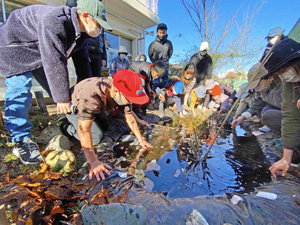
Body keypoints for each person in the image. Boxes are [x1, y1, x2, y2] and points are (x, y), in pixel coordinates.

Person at [0, 0, 112, 165]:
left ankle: (66, 122)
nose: (99, 29)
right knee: (20, 89)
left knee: (60, 92)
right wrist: (62, 99)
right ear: (86, 17)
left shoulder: (81, 35)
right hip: (15, 45)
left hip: (39, 50)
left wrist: (89, 96)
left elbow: (83, 65)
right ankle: (21, 140)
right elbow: (55, 61)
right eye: (98, 24)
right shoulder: (56, 20)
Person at [64, 70, 153, 181]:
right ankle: (66, 127)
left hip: (96, 107)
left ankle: (90, 119)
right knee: (96, 137)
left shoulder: (121, 93)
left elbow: (129, 118)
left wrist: (141, 140)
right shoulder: (92, 95)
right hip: (74, 107)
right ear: (116, 91)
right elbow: (84, 129)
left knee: (106, 126)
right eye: (129, 99)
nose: (131, 103)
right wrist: (93, 161)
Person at [231, 63, 283, 138]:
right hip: (281, 113)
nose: (256, 88)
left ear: (270, 77)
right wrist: (241, 118)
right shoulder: (261, 91)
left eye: (257, 84)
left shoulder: (283, 86)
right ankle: (281, 136)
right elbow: (255, 105)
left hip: (291, 114)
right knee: (266, 111)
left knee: (268, 113)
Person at [66, 0, 108, 78]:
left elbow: (103, 40)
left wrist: (104, 57)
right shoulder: (78, 4)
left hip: (98, 52)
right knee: (85, 77)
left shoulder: (99, 18)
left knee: (97, 80)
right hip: (85, 48)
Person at [148, 23, 173, 90]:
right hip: (156, 68)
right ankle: (154, 98)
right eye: (160, 33)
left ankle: (163, 98)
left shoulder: (169, 43)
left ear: (166, 32)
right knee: (155, 84)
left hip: (165, 67)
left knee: (165, 84)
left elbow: (170, 54)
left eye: (163, 33)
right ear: (157, 32)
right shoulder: (153, 44)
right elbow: (150, 55)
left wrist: (165, 61)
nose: (161, 34)